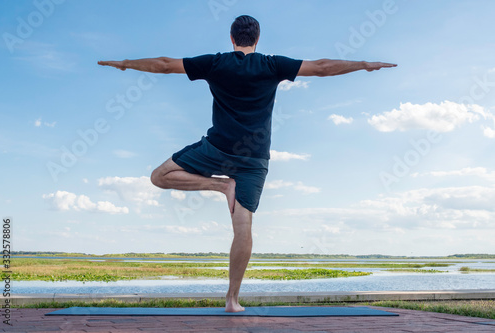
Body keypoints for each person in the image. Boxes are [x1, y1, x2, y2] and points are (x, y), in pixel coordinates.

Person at [98, 15, 396, 312]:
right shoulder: (271, 65)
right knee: (243, 228)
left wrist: (126, 62)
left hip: (217, 149)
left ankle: (221, 186)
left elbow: (164, 64)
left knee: (159, 176)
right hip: (254, 160)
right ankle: (232, 300)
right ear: (257, 39)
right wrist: (363, 64)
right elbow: (322, 68)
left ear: (231, 38)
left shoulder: (215, 63)